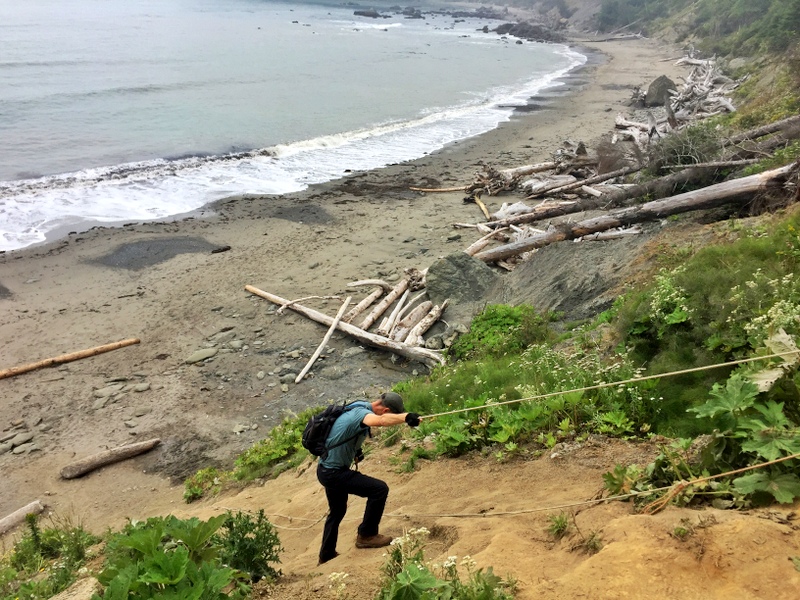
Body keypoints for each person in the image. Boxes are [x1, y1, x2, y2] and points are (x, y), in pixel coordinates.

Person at [316, 391, 420, 564]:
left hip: (325, 469)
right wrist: (406, 417)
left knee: (337, 511)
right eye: (391, 415)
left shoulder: (359, 405)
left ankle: (326, 555)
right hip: (334, 473)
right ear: (385, 409)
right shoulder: (363, 414)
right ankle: (367, 535)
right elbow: (379, 421)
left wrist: (356, 452)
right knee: (379, 489)